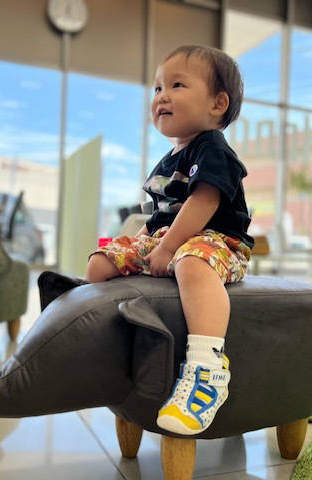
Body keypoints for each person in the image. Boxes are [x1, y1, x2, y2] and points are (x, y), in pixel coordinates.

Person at [85, 45, 254, 435]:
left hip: (218, 240)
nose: (161, 96)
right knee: (101, 260)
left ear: (218, 103)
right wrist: (131, 249)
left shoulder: (212, 147)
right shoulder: (167, 161)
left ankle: (207, 369)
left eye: (177, 85)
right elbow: (157, 217)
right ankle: (95, 336)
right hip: (171, 238)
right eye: (158, 87)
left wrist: (166, 248)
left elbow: (204, 201)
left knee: (191, 262)